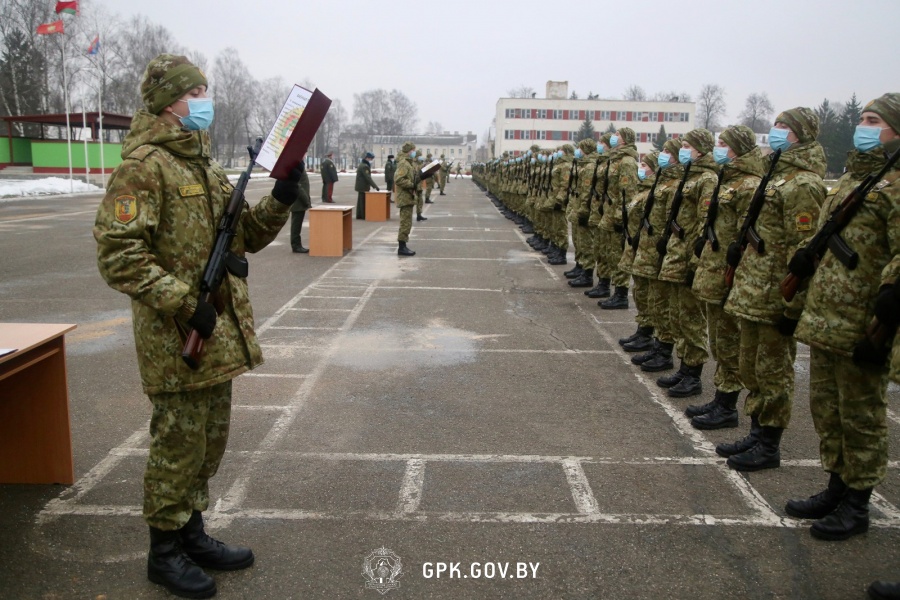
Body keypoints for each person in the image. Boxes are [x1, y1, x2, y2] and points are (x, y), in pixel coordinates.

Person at [93, 54, 300, 599]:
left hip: (217, 337)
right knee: (177, 446)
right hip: (176, 339)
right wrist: (185, 303)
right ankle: (163, 552)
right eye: (199, 91)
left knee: (208, 444)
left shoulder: (201, 165)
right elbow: (119, 256)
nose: (207, 100)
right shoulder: (145, 166)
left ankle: (191, 532)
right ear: (170, 103)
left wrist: (280, 196)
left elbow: (244, 236)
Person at [786, 94, 899, 541]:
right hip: (826, 315)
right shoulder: (857, 180)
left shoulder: (894, 186)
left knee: (861, 415)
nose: (863, 126)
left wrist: (887, 312)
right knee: (827, 410)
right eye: (862, 119)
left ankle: (858, 503)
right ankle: (835, 486)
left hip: (862, 319)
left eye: (874, 120)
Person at [720, 107, 826, 471]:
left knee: (773, 371)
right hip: (752, 290)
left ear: (800, 133)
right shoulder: (774, 176)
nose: (776, 131)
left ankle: (770, 444)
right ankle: (756, 431)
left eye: (783, 126)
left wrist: (793, 308)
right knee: (751, 368)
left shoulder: (804, 184)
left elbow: (805, 251)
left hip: (774, 296)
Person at [687, 125, 764, 429]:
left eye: (724, 143)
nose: (719, 148)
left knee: (730, 340)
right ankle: (721, 398)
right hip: (714, 269)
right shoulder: (726, 180)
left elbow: (752, 231)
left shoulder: (749, 185)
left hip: (730, 272)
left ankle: (728, 404)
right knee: (720, 340)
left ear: (739, 148)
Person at [394, 141, 419, 255]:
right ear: (409, 151)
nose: (414, 152)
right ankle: (401, 247)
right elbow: (398, 179)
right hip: (404, 197)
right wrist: (411, 184)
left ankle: (403, 245)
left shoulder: (409, 163)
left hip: (408, 196)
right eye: (413, 150)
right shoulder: (404, 163)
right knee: (405, 222)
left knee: (407, 222)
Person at [290, 156, 312, 253]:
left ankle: (297, 244)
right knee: (296, 225)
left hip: (300, 200)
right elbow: (297, 185)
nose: (305, 155)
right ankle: (296, 245)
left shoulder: (300, 164)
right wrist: (306, 200)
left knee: (297, 224)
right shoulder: (296, 165)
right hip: (298, 201)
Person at [355, 151, 380, 220]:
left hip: (361, 185)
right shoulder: (364, 166)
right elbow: (368, 177)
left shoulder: (363, 164)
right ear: (368, 158)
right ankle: (363, 215)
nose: (371, 160)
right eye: (371, 159)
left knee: (360, 201)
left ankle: (359, 215)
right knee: (363, 202)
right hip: (363, 186)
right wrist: (375, 186)